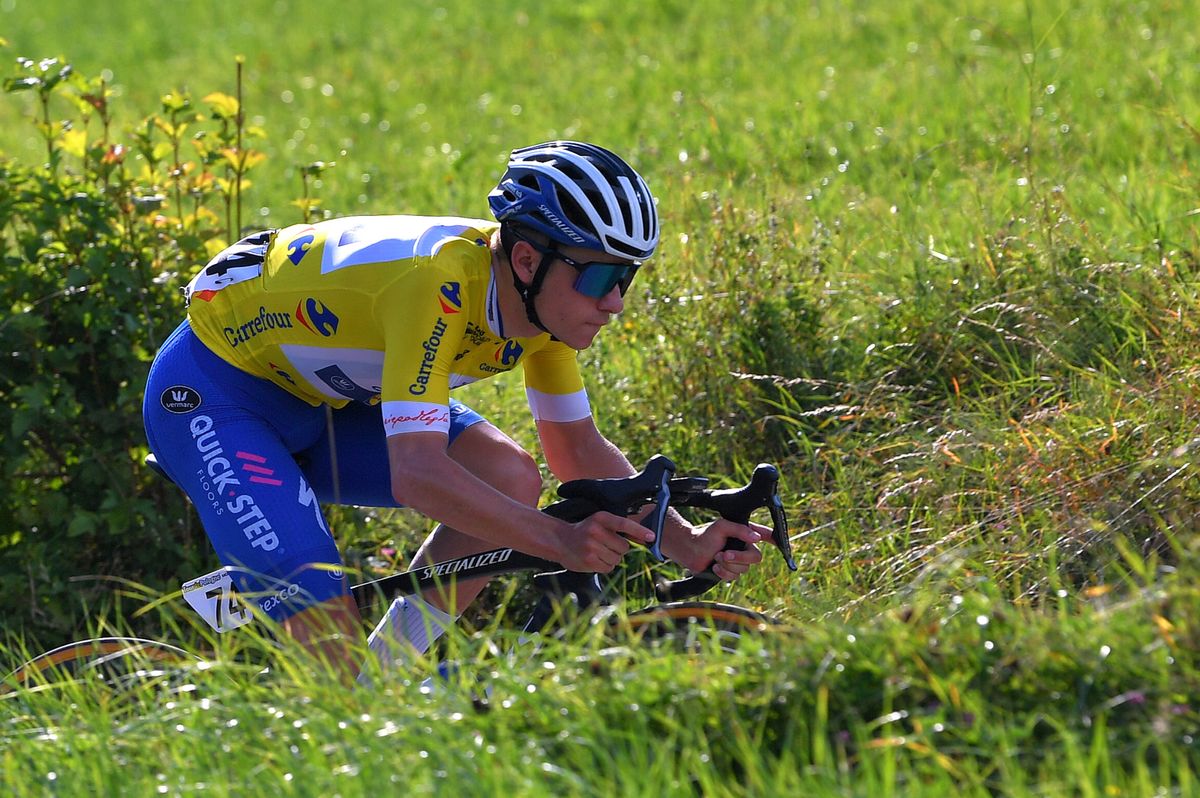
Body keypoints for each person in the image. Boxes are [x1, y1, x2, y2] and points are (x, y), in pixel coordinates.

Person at [142, 140, 768, 678]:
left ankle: (385, 677)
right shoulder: (432, 284)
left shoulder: (540, 309)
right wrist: (557, 538)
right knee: (319, 609)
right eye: (602, 280)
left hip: (322, 401)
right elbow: (417, 475)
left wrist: (684, 543)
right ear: (527, 259)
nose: (615, 304)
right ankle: (340, 717)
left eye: (626, 280)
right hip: (216, 397)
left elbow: (577, 454)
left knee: (511, 477)